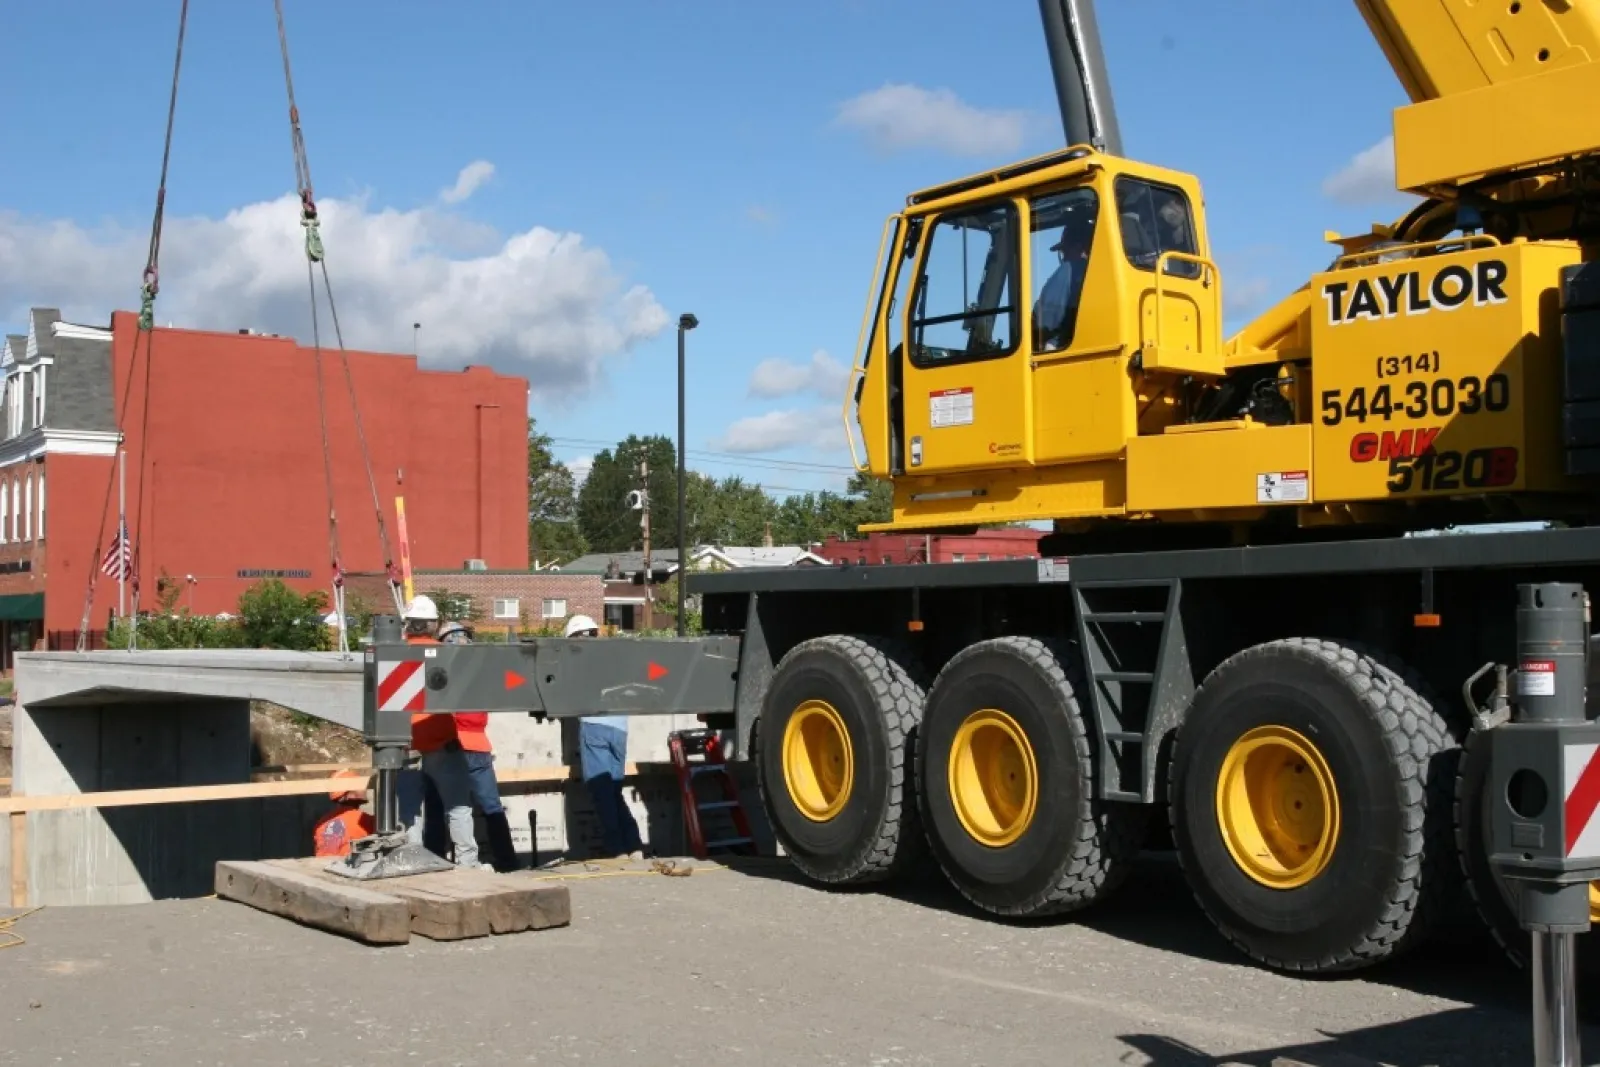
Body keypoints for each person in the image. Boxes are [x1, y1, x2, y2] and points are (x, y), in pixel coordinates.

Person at [401, 595, 486, 869]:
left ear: (407, 624)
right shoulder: (447, 655)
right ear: (433, 624)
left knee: (409, 813)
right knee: (458, 808)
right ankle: (467, 865)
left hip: (404, 744)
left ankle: (411, 864)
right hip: (442, 743)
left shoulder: (391, 652)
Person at [434, 618, 519, 872]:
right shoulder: (480, 670)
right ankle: (508, 862)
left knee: (450, 808)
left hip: (452, 745)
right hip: (479, 745)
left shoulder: (440, 671)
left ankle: (439, 861)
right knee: (491, 807)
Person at [564, 614, 644, 860]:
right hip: (619, 728)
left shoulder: (580, 661)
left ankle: (618, 849)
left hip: (594, 726)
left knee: (601, 791)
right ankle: (634, 845)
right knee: (613, 791)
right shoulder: (615, 657)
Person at [1033, 206, 1095, 352]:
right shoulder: (1097, 274)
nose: (1063, 256)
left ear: (1078, 247)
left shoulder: (1068, 270)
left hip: (1057, 347)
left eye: (1064, 250)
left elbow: (1045, 323)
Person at [312, 768, 376, 857]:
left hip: (320, 868)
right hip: (348, 868)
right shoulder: (366, 820)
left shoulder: (321, 823)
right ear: (351, 792)